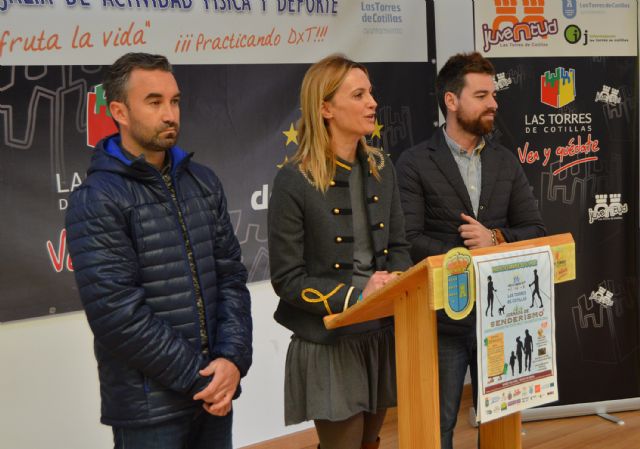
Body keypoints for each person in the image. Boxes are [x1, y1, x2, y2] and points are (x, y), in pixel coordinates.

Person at [65, 53, 252, 449]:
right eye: (154, 102)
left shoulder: (203, 182)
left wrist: (232, 360)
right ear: (119, 111)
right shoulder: (96, 198)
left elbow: (231, 278)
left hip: (213, 395)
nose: (170, 114)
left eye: (175, 101)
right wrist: (202, 378)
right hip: (149, 410)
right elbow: (116, 314)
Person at [396, 52, 546, 448]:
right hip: (441, 321)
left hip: (500, 321)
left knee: (498, 421)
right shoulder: (414, 163)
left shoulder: (505, 161)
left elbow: (535, 230)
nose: (493, 103)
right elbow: (408, 240)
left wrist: (494, 238)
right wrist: (466, 258)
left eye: (493, 95)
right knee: (438, 424)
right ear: (451, 100)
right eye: (481, 96)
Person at [268, 55, 412, 449]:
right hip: (328, 340)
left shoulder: (383, 166)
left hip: (379, 334)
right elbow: (287, 279)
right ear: (326, 109)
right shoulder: (294, 180)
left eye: (371, 93)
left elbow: (399, 246)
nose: (372, 103)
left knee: (370, 443)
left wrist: (398, 280)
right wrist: (356, 298)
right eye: (359, 95)